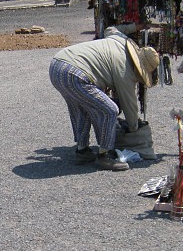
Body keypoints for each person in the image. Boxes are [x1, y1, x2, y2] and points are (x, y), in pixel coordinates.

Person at [49, 26, 159, 171]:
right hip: (75, 73)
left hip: (57, 66)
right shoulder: (125, 70)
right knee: (110, 110)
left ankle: (82, 151)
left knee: (82, 107)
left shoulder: (119, 40)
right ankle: (104, 155)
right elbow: (129, 104)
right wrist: (134, 127)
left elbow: (110, 29)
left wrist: (133, 26)